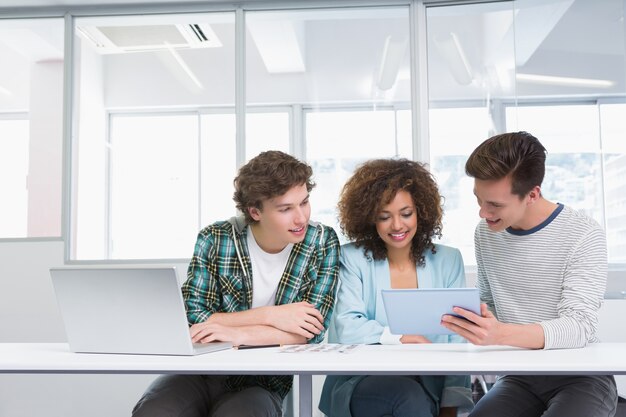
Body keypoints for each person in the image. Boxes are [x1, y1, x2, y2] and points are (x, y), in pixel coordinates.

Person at [132, 150, 340, 417]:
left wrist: (238, 335)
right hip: (201, 370)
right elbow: (193, 317)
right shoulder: (215, 238)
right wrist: (273, 315)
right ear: (255, 211)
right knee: (155, 412)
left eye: (304, 202)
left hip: (263, 381)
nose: (301, 217)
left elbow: (311, 331)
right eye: (285, 209)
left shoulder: (322, 242)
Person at [441, 131, 618, 417]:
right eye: (479, 199)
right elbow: (491, 302)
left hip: (581, 375)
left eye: (495, 205)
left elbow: (579, 327)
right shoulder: (486, 233)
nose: (483, 213)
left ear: (532, 194)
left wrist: (499, 334)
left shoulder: (583, 234)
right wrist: (477, 322)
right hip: (520, 376)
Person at [318, 158, 474, 417]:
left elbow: (458, 338)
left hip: (427, 387)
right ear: (370, 218)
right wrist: (397, 337)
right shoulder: (352, 258)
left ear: (421, 212)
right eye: (384, 216)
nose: (397, 226)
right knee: (407, 396)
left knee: (415, 398)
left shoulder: (448, 260)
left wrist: (450, 406)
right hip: (361, 380)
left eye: (406, 213)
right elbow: (346, 326)